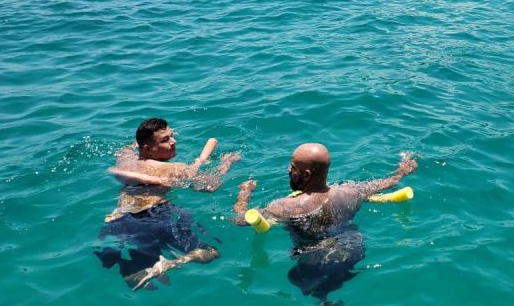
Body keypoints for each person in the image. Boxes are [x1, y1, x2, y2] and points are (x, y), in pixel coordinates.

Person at [233, 144, 417, 302]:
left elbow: (239, 220)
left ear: (306, 174)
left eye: (292, 167)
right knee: (327, 285)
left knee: (295, 278)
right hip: (353, 252)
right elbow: (387, 183)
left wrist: (244, 194)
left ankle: (323, 299)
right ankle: (325, 298)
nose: (289, 170)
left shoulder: (285, 207)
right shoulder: (350, 192)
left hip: (316, 262)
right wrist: (403, 170)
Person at [95, 118, 240, 290]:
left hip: (120, 220)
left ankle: (134, 268)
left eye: (172, 136)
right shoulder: (173, 168)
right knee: (211, 253)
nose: (174, 141)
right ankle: (168, 264)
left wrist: (148, 139)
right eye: (166, 140)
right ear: (148, 148)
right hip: (154, 218)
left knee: (144, 252)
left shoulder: (125, 160)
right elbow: (210, 186)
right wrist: (227, 163)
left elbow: (126, 148)